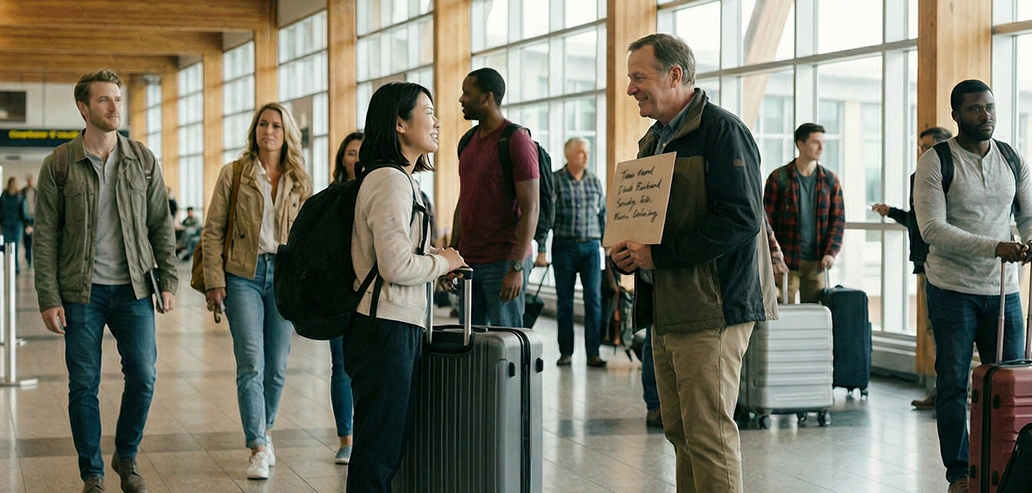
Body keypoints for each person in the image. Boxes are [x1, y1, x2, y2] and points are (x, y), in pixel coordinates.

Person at [611, 34, 777, 493]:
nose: (631, 89)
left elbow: (742, 218)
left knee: (708, 434)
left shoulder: (722, 131)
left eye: (638, 77)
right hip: (670, 305)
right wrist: (628, 254)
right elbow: (651, 222)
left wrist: (658, 255)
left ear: (675, 76)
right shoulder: (654, 141)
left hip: (714, 308)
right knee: (680, 431)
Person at [34, 69, 178, 493]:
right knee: (83, 384)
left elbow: (161, 227)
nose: (115, 106)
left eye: (117, 98)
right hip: (81, 292)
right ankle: (92, 473)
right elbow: (44, 236)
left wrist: (166, 281)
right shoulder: (59, 164)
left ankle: (126, 453)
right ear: (83, 107)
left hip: (134, 287)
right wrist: (48, 296)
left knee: (144, 375)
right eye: (104, 100)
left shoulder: (142, 159)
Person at [343, 81, 464, 492]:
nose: (436, 121)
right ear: (399, 123)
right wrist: (441, 261)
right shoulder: (391, 181)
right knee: (379, 453)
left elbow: (395, 255)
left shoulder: (400, 180)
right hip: (384, 329)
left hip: (393, 325)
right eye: (427, 111)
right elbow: (395, 266)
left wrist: (434, 265)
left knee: (385, 449)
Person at [913, 79, 1032, 493]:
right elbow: (932, 229)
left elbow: (1028, 213)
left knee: (1010, 383)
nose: (987, 115)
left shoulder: (1011, 157)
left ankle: (1007, 468)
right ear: (956, 114)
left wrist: (1028, 240)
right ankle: (960, 473)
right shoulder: (935, 161)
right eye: (977, 109)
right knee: (953, 384)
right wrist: (995, 246)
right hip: (952, 290)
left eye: (991, 108)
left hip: (1004, 292)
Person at [200, 102, 312, 480]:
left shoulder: (299, 178)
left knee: (277, 368)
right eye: (263, 124)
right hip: (242, 275)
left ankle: (265, 428)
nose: (269, 131)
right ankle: (257, 446)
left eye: (277, 126)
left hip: (282, 277)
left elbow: (309, 238)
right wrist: (215, 280)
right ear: (255, 131)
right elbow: (213, 228)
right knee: (251, 362)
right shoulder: (235, 173)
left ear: (287, 133)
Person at [871, 126, 953, 411]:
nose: (921, 153)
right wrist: (891, 212)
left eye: (926, 147)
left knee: (941, 328)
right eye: (919, 147)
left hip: (941, 261)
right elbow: (919, 222)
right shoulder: (917, 178)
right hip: (923, 262)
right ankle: (941, 389)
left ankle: (947, 390)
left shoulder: (948, 176)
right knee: (932, 329)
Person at [451, 67, 539, 327]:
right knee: (472, 347)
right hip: (469, 263)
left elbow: (531, 208)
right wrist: (454, 254)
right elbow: (464, 201)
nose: (461, 99)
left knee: (507, 346)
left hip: (503, 262)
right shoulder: (467, 142)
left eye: (467, 93)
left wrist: (516, 267)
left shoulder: (516, 141)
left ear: (487, 97)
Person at [763, 123, 845, 303]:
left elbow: (838, 220)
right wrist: (773, 255)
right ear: (801, 144)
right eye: (816, 142)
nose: (822, 147)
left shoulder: (830, 181)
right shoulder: (779, 178)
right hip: (786, 260)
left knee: (816, 313)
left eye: (823, 142)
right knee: (784, 311)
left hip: (817, 261)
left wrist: (831, 252)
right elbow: (766, 221)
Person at [550, 137, 607, 368]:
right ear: (569, 155)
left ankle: (593, 352)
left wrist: (608, 245)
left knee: (593, 299)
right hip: (564, 246)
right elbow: (548, 216)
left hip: (591, 248)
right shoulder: (555, 180)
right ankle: (566, 352)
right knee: (565, 301)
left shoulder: (594, 181)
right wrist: (542, 249)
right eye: (582, 152)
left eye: (588, 152)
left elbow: (603, 214)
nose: (586, 156)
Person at [327, 131, 364, 465]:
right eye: (351, 152)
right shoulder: (332, 196)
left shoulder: (385, 188)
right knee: (341, 366)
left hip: (372, 296)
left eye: (363, 152)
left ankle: (366, 435)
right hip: (340, 293)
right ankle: (346, 438)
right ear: (343, 158)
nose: (357, 158)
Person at [0, 177, 27, 273]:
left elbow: (24, 212)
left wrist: (27, 224)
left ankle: (15, 266)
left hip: (17, 224)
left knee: (15, 245)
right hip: (6, 223)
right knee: (6, 244)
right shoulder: (4, 196)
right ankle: (7, 265)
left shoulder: (20, 196)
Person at [22, 174, 36, 269]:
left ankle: (31, 258)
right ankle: (28, 257)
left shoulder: (36, 191)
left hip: (34, 217)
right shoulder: (23, 192)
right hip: (26, 218)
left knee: (33, 239)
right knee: (26, 239)